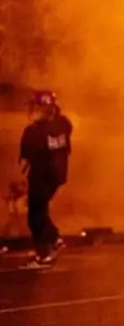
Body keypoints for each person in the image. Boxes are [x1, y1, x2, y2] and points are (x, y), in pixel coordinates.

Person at [18, 90, 72, 268]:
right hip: (57, 176)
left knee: (35, 216)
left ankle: (44, 255)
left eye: (36, 106)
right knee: (40, 211)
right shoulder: (63, 124)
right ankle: (54, 239)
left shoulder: (34, 132)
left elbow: (25, 161)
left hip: (42, 175)